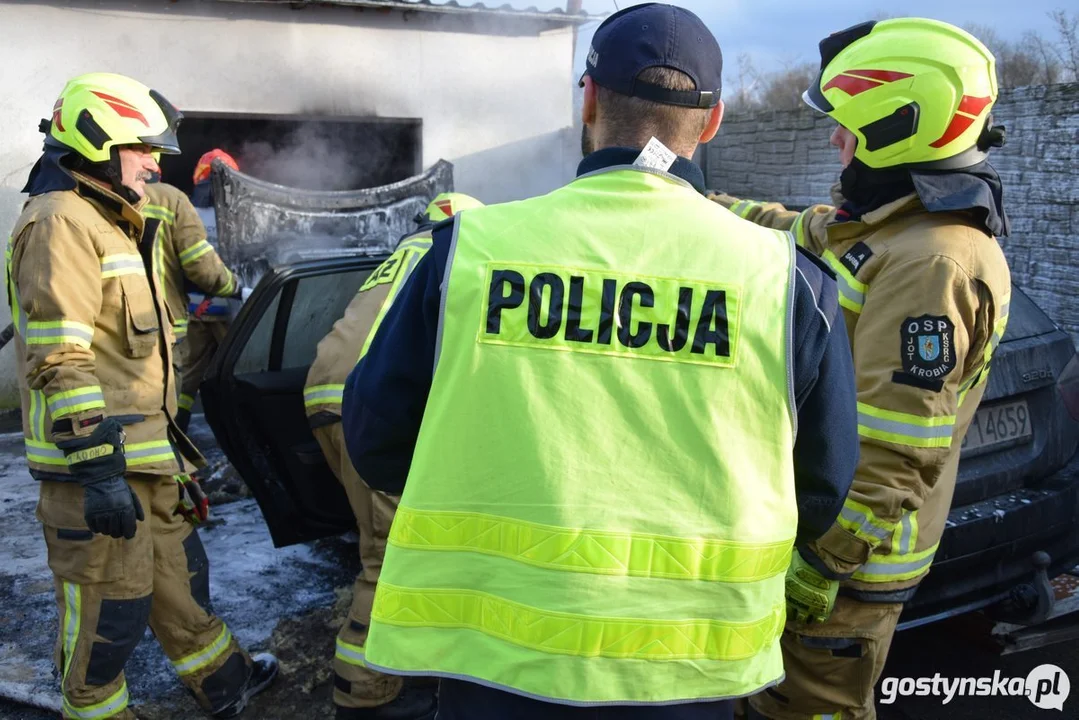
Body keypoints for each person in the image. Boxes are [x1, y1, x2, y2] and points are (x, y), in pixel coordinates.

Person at [340, 5, 860, 719]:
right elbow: (823, 484)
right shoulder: (787, 279)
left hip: (492, 656)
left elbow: (375, 439)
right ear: (709, 125)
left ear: (586, 101)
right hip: (687, 667)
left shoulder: (468, 250)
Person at [709, 18, 1012, 720]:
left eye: (845, 124)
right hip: (831, 543)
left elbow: (895, 446)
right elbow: (792, 227)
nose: (833, 139)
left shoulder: (930, 263)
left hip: (851, 566)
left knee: (809, 709)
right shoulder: (890, 228)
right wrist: (689, 204)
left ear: (893, 128)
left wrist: (820, 563)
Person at [8, 72, 277, 719]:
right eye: (143, 148)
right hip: (98, 469)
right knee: (109, 616)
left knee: (180, 585)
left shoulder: (113, 221)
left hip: (150, 461)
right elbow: (60, 355)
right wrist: (98, 469)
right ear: (98, 142)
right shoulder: (60, 222)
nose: (157, 162)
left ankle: (224, 680)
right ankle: (95, 710)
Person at [305, 192, 483, 720]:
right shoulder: (459, 257)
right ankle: (364, 697)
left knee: (381, 537)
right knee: (388, 558)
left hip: (327, 395)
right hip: (375, 401)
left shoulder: (400, 253)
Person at [167, 149, 244, 430]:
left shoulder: (185, 210)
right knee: (240, 371)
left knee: (187, 377)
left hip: (195, 310)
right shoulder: (241, 214)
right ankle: (241, 432)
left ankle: (178, 434)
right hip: (234, 312)